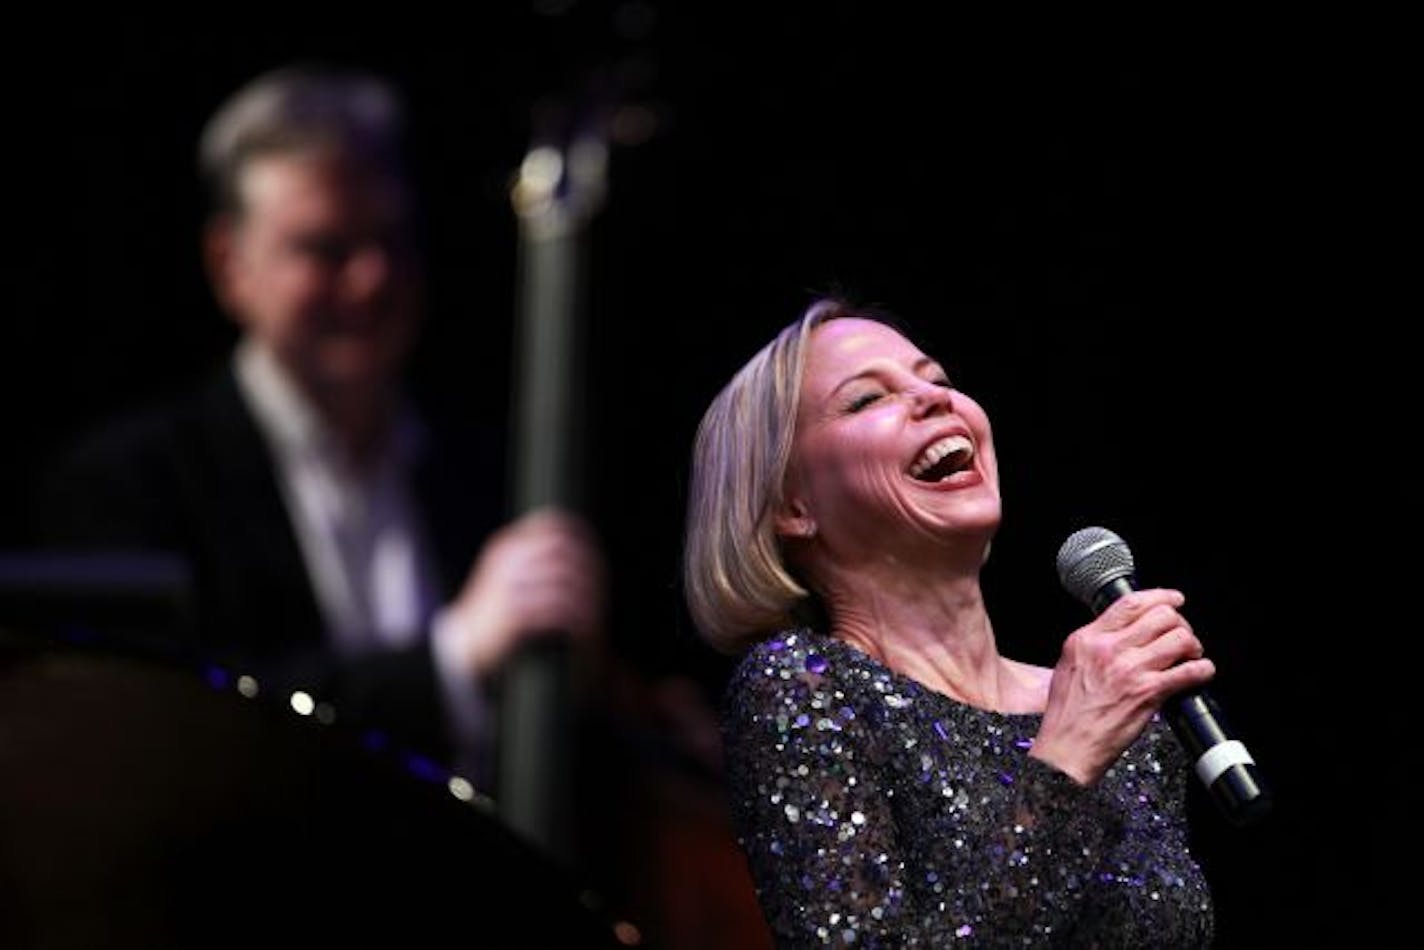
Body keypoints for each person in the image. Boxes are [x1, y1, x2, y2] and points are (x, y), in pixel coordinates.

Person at [36, 64, 604, 788]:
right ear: (229, 265)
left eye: (391, 239)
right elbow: (179, 735)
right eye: (326, 248)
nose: (371, 277)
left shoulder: (487, 464)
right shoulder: (124, 484)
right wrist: (452, 659)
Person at [682, 296, 1217, 947]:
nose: (936, 400)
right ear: (793, 505)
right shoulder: (802, 689)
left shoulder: (1119, 718)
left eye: (937, 381)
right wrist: (1067, 757)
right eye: (865, 400)